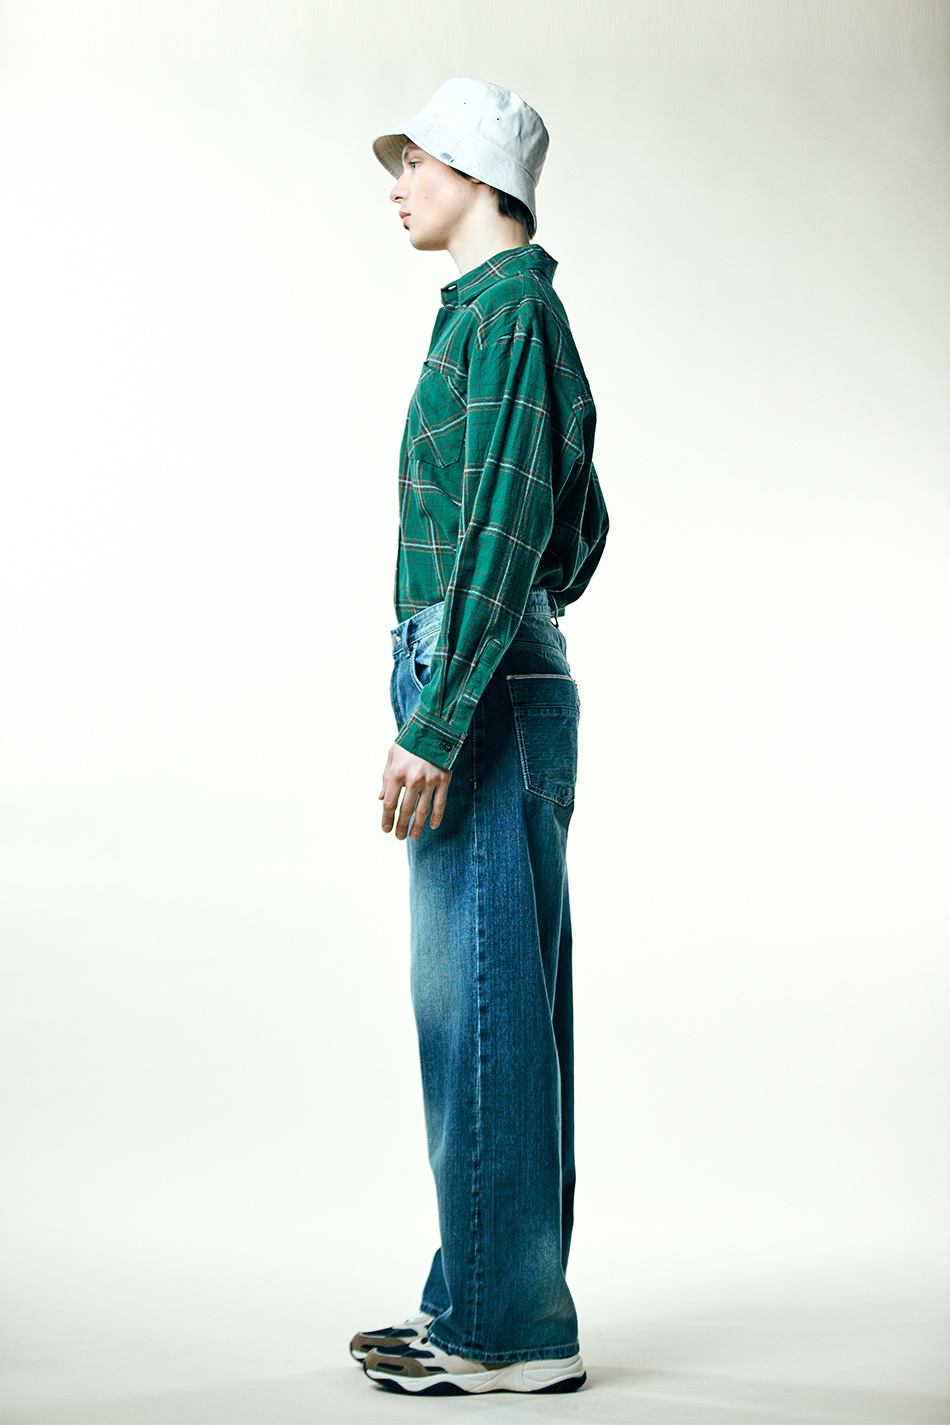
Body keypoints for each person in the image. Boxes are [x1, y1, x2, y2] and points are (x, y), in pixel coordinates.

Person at [353, 77, 609, 1396]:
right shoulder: (506, 316)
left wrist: (441, 711)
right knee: (491, 1004)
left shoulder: (507, 314)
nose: (399, 184)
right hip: (500, 667)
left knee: (484, 1008)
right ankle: (484, 1297)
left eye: (416, 161)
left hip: (479, 680)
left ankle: (506, 1334)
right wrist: (506, 643)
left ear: (475, 175)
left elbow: (511, 529)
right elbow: (584, 524)